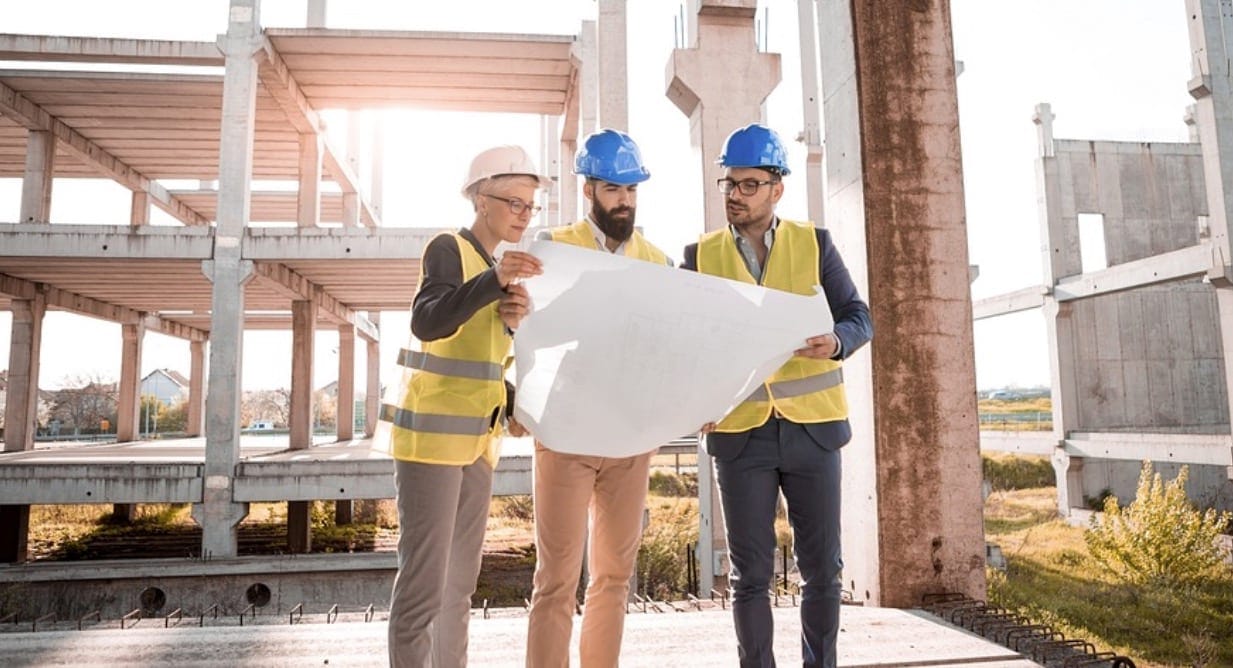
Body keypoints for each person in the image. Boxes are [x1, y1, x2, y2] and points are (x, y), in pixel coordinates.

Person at [681, 123, 872, 668]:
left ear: (776, 189)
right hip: (741, 436)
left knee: (821, 571)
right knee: (750, 576)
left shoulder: (815, 244)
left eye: (748, 185)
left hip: (813, 430)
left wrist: (837, 341)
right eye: (729, 185)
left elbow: (859, 317)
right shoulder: (700, 254)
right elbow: (678, 341)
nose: (735, 196)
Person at [383, 144, 548, 667]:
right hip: (431, 445)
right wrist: (492, 284)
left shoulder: (495, 268)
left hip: (479, 446)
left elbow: (483, 364)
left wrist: (512, 323)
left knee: (458, 591)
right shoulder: (448, 248)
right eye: (515, 203)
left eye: (530, 206)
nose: (524, 214)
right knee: (422, 590)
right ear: (481, 199)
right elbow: (428, 321)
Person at [525, 128, 671, 668]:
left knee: (612, 577)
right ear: (589, 189)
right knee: (556, 579)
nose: (625, 200)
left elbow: (667, 345)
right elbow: (526, 331)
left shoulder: (656, 260)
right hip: (567, 433)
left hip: (630, 438)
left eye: (632, 190)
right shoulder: (555, 248)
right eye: (614, 189)